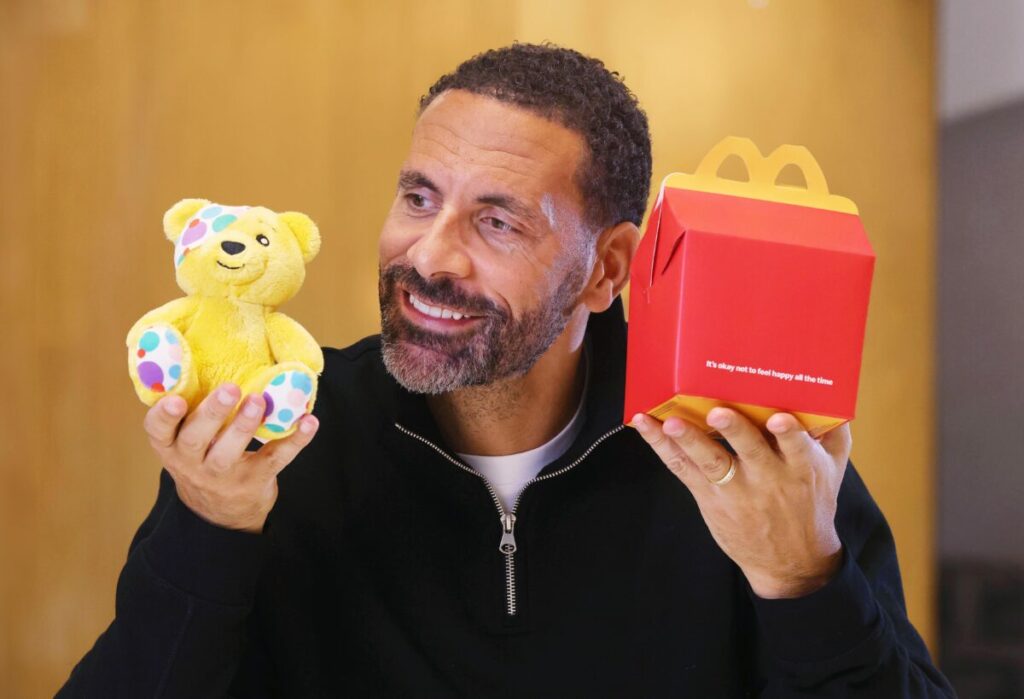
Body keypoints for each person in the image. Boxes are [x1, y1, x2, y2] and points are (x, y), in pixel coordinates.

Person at [59, 43, 956, 697]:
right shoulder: (284, 442)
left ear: (607, 270)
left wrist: (803, 579)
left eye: (497, 222)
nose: (430, 256)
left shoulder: (748, 461)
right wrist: (210, 527)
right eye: (418, 198)